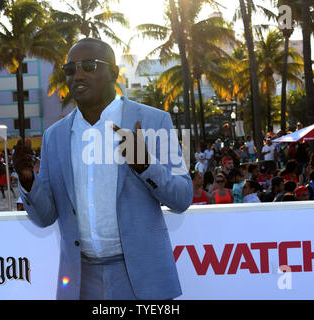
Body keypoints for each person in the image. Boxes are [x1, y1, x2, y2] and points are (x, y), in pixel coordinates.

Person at [13, 38, 192, 300]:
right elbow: (44, 217)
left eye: (89, 65)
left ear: (114, 73)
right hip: (80, 280)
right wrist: (29, 181)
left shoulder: (156, 120)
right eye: (70, 70)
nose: (78, 74)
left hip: (141, 277)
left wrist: (146, 166)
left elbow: (183, 197)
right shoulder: (54, 136)